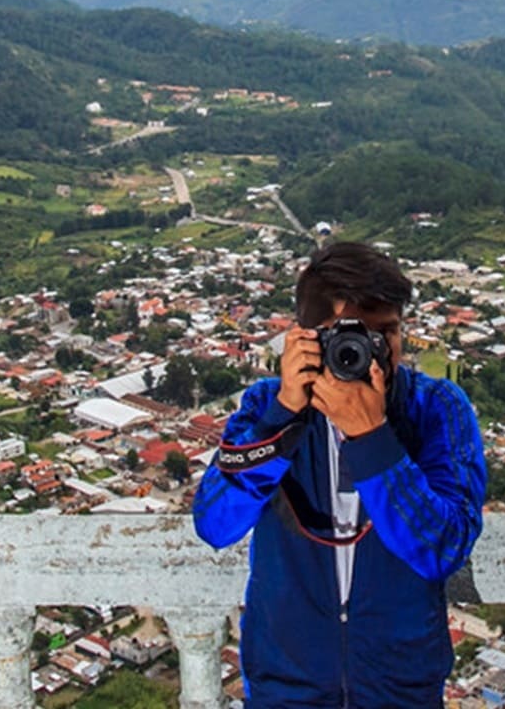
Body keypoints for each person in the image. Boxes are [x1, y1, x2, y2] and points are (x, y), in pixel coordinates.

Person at [193, 240, 487, 707]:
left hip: (401, 688)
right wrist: (284, 414)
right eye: (345, 339)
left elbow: (444, 549)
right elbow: (214, 524)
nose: (369, 355)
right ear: (305, 339)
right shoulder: (266, 407)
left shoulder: (436, 409)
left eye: (384, 335)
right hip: (286, 687)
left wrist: (372, 437)